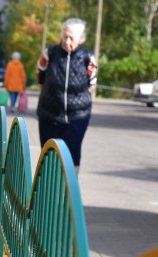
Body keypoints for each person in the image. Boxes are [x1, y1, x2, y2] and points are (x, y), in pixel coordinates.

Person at [36, 18, 97, 175]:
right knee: (48, 156)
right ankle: (47, 195)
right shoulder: (49, 53)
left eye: (71, 38)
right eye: (65, 36)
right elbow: (40, 76)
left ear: (80, 40)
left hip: (77, 115)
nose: (67, 41)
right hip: (49, 113)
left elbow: (92, 83)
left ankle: (69, 196)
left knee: (72, 156)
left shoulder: (88, 58)